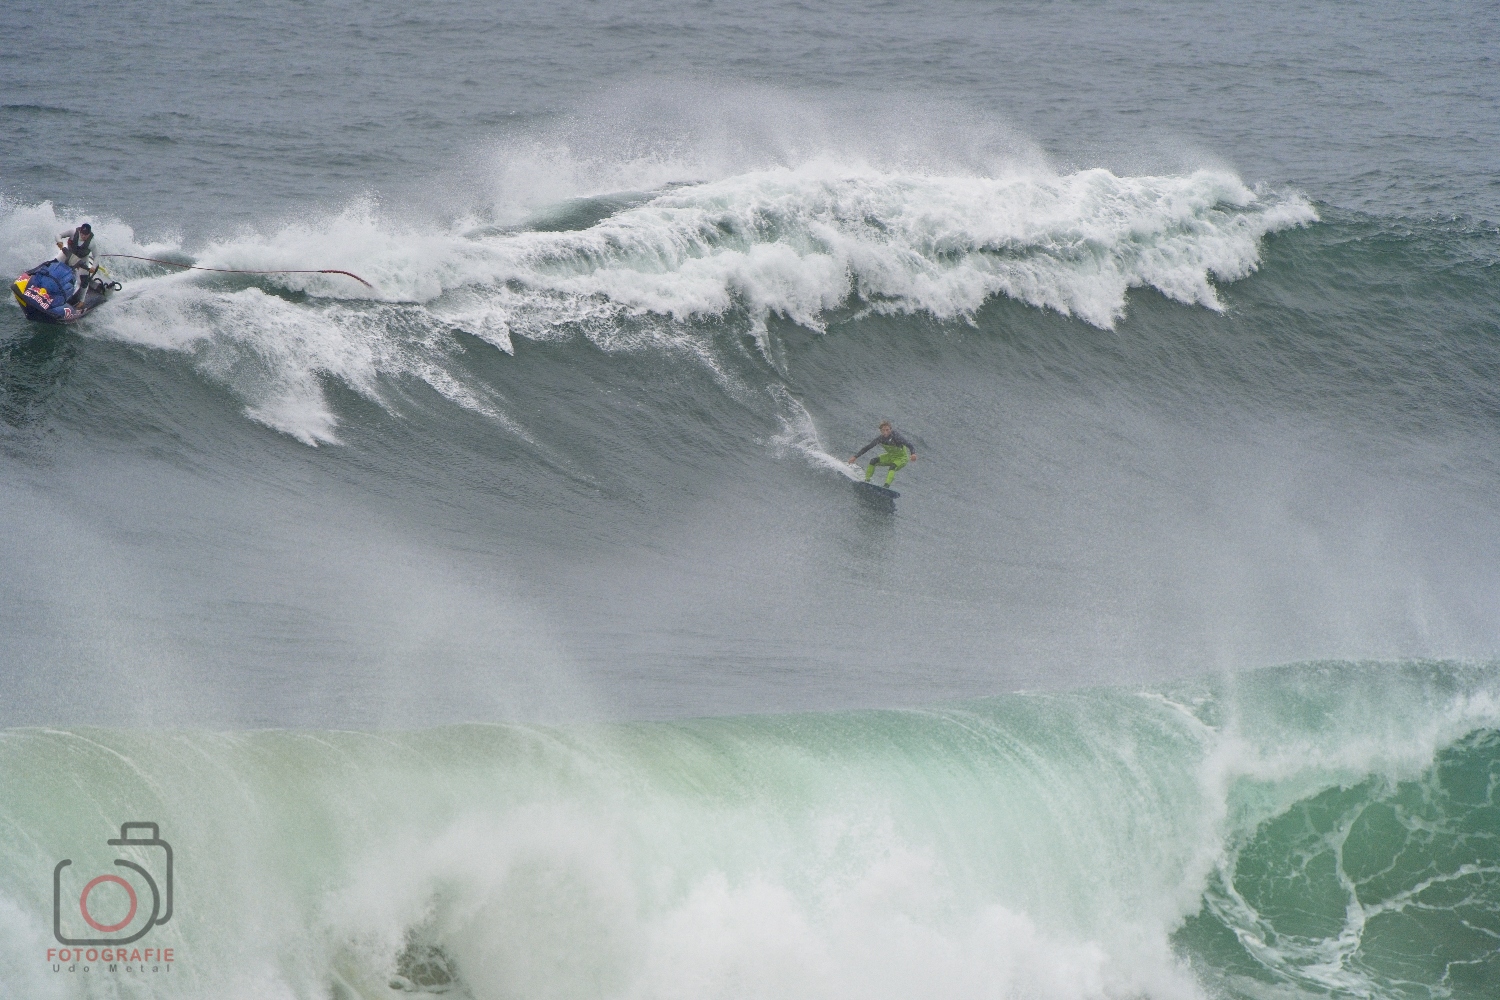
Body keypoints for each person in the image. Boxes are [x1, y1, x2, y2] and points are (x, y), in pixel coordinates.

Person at [849, 420, 918, 488]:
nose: (885, 432)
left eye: (887, 430)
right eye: (883, 430)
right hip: (890, 456)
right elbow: (868, 447)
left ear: (890, 429)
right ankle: (867, 481)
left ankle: (886, 487)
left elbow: (909, 444)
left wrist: (913, 454)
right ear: (880, 431)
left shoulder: (896, 437)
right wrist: (855, 457)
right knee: (873, 461)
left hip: (902, 459)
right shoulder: (880, 439)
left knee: (893, 466)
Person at [55, 223, 97, 303]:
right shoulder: (73, 232)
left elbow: (97, 256)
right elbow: (58, 235)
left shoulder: (92, 242)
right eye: (82, 233)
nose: (83, 236)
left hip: (82, 259)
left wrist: (93, 267)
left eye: (86, 235)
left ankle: (81, 301)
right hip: (68, 254)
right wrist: (59, 241)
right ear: (80, 231)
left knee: (84, 280)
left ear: (89, 234)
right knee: (53, 264)